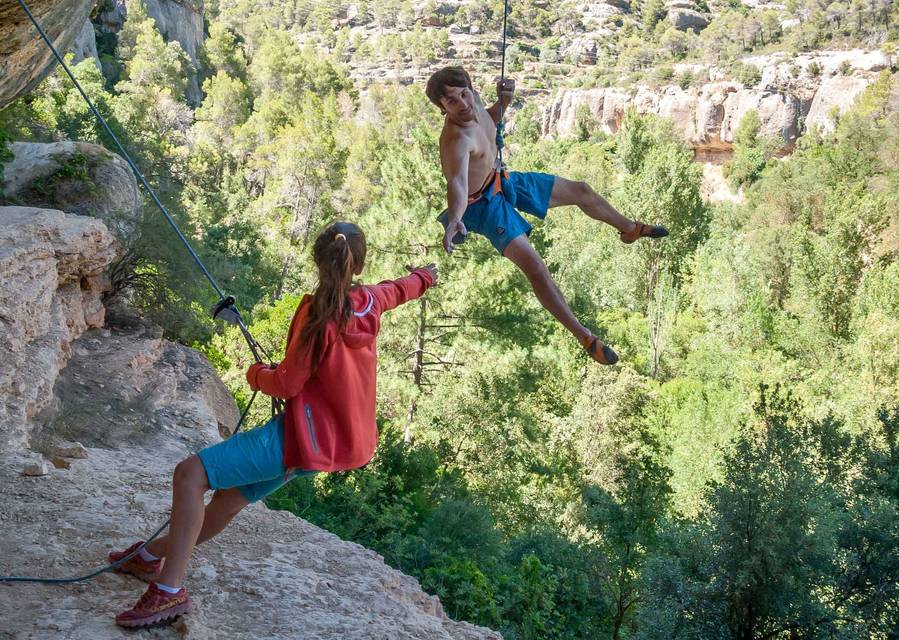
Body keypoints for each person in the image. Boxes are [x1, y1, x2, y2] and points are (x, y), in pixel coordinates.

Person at [109, 221, 438, 628]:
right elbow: (400, 288)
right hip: (329, 446)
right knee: (226, 503)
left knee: (189, 475)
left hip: (300, 437)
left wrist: (255, 374)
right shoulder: (371, 302)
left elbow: (288, 382)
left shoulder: (317, 315)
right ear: (359, 265)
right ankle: (147, 558)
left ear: (318, 259)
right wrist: (426, 276)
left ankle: (168, 591)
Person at [426, 66, 668, 365]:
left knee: (581, 191)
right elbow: (458, 184)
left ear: (471, 89)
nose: (462, 104)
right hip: (482, 206)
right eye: (451, 102)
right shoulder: (455, 140)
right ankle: (585, 337)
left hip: (501, 179)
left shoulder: (472, 99)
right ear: (442, 108)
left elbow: (489, 119)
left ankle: (630, 229)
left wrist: (504, 102)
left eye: (464, 95)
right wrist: (455, 219)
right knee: (536, 268)